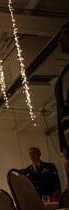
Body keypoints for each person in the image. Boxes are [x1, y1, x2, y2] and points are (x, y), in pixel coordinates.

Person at [55, 22, 69, 186]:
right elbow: (61, 114)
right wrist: (63, 145)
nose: (60, 40)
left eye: (65, 35)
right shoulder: (62, 79)